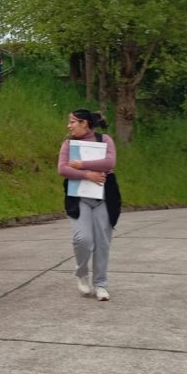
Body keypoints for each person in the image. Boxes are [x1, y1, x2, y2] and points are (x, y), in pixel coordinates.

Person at [57, 109, 120, 301]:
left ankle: (100, 284)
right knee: (82, 239)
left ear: (84, 123)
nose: (69, 126)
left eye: (72, 122)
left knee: (102, 243)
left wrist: (81, 164)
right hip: (79, 198)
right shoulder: (68, 144)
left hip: (104, 198)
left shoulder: (104, 140)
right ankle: (82, 273)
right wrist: (88, 175)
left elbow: (110, 162)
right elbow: (62, 168)